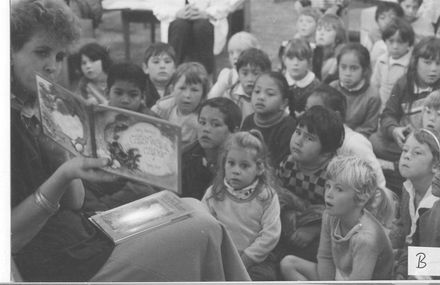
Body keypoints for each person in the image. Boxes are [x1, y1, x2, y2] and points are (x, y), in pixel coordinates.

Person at [11, 0, 251, 281]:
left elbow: (75, 202)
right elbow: (10, 238)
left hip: (81, 236)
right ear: (9, 51)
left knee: (192, 207)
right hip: (63, 262)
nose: (52, 66)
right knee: (204, 227)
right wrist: (63, 173)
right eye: (42, 52)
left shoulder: (37, 108)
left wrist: (64, 155)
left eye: (60, 56)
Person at [280, 155, 394, 281]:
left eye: (339, 189)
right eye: (328, 186)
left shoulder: (366, 239)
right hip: (341, 275)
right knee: (288, 263)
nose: (329, 194)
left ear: (361, 197)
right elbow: (325, 257)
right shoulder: (330, 216)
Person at [304, 85, 393, 225]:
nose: (308, 117)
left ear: (336, 115)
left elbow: (378, 185)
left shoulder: (354, 143)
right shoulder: (316, 142)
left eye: (316, 112)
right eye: (306, 110)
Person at [202, 130, 281, 280]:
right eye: (231, 163)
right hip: (220, 255)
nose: (236, 171)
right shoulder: (214, 192)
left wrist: (246, 259)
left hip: (256, 260)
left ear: (259, 168)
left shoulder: (267, 197)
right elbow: (204, 224)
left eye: (244, 166)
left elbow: (270, 235)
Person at [275, 106, 345, 264]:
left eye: (309, 138)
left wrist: (314, 229)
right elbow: (277, 196)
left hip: (323, 230)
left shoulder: (335, 174)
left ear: (326, 152)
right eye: (298, 132)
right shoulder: (288, 163)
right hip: (291, 223)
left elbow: (341, 214)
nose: (298, 141)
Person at [370, 37, 440, 162]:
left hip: (435, 142)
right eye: (427, 62)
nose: (434, 69)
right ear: (415, 62)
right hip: (409, 141)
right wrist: (395, 130)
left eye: (438, 64)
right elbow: (387, 115)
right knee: (376, 141)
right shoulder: (403, 84)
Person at [390, 129, 440, 279]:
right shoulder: (408, 188)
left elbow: (432, 259)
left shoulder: (436, 205)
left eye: (417, 153)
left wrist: (410, 275)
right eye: (405, 150)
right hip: (414, 259)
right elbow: (406, 232)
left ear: (436, 165)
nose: (406, 156)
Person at [153, 0, 245, 75]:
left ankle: (204, 76)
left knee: (201, 26)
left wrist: (207, 13)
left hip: (207, 23)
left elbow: (227, 3)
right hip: (175, 24)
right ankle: (175, 75)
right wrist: (176, 13)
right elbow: (157, 6)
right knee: (180, 26)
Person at [182, 97, 242, 199]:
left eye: (215, 124)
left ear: (235, 131)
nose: (206, 129)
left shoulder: (241, 163)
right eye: (202, 122)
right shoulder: (185, 155)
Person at [241, 72, 297, 167]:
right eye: (257, 91)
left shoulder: (288, 126)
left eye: (270, 94)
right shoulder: (248, 120)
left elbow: (282, 165)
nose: (261, 97)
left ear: (283, 103)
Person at [152, 62, 210, 147]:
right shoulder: (162, 109)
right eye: (182, 88)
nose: (187, 95)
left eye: (194, 90)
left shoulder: (204, 119)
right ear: (172, 90)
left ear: (203, 95)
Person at [330, 43, 381, 138]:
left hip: (356, 139)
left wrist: (347, 138)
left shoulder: (372, 95)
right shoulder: (333, 88)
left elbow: (369, 128)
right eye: (343, 67)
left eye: (353, 68)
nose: (347, 73)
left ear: (365, 70)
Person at [370, 17, 415, 112]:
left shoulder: (410, 64)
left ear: (409, 43)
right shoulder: (381, 60)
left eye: (400, 42)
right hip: (380, 109)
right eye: (391, 41)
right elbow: (374, 85)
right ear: (385, 40)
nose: (395, 46)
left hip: (400, 111)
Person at [208, 31, 260, 99]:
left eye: (240, 52)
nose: (235, 56)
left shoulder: (260, 74)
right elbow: (212, 97)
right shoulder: (228, 76)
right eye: (231, 53)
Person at [227, 48, 272, 123]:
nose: (250, 79)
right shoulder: (231, 96)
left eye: (255, 73)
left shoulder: (270, 96)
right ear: (238, 74)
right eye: (245, 74)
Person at [280, 38, 320, 117]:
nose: (295, 63)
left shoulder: (315, 85)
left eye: (300, 59)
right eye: (291, 59)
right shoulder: (279, 80)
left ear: (309, 62)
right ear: (284, 60)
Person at [312, 13, 347, 83]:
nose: (321, 33)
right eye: (319, 29)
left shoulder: (339, 57)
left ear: (338, 37)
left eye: (328, 30)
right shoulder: (311, 50)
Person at [366, 2, 404, 67]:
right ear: (377, 20)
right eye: (382, 17)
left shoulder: (403, 34)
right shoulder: (373, 34)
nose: (387, 21)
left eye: (392, 18)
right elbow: (366, 53)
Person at [142, 42, 177, 108]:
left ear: (175, 67)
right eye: (156, 62)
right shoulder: (140, 91)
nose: (162, 66)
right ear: (145, 68)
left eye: (167, 62)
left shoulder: (180, 89)